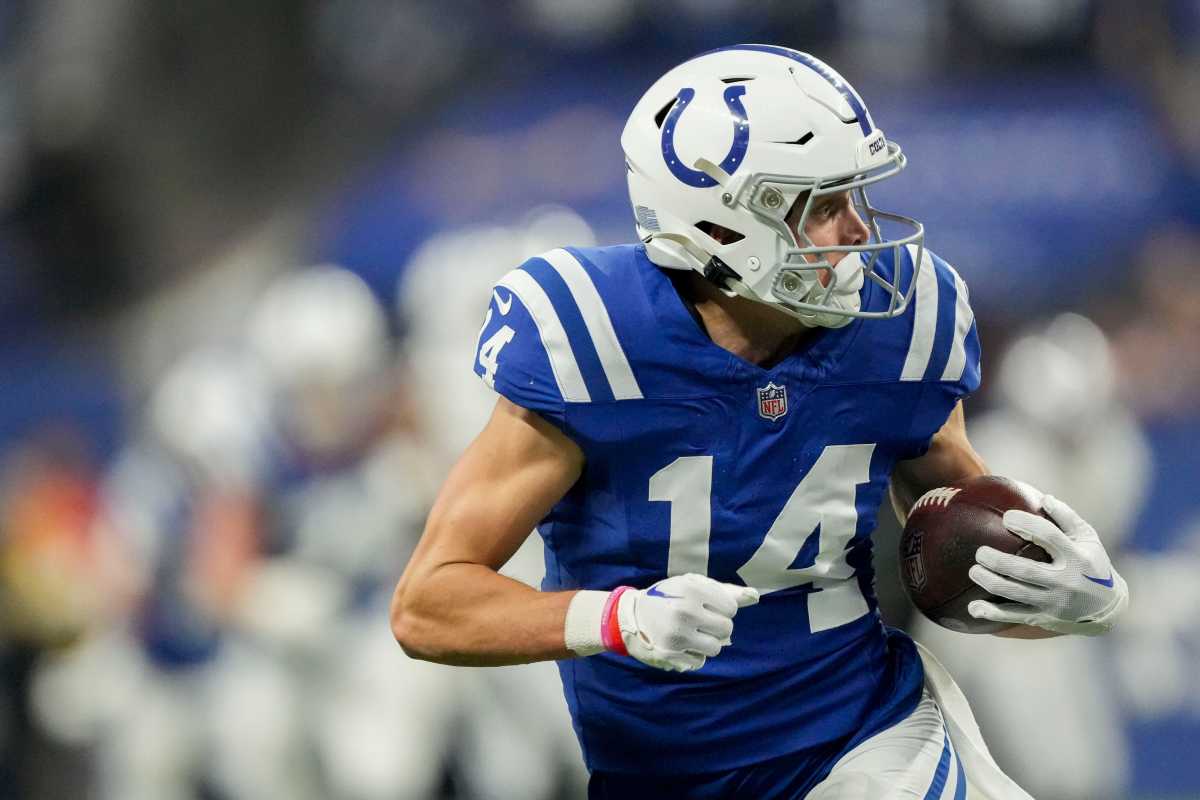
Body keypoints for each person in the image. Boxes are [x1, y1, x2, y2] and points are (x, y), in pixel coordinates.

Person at [390, 45, 1129, 799]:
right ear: (718, 226)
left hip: (863, 741)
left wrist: (1077, 599)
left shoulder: (903, 322)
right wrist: (619, 621)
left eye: (856, 197)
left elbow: (962, 550)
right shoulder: (596, 340)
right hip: (656, 771)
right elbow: (429, 605)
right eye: (822, 206)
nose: (858, 231)